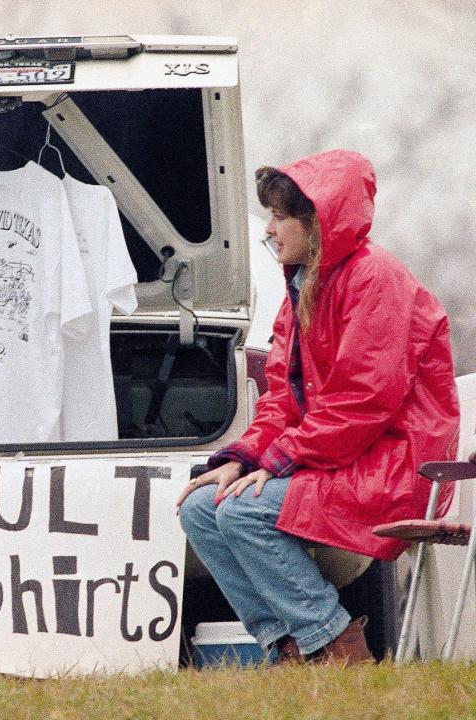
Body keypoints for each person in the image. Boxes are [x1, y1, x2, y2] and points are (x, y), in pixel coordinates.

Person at [176, 149, 458, 663]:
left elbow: (363, 403)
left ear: (320, 222)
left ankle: (333, 644)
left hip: (393, 468)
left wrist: (277, 461)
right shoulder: (302, 289)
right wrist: (240, 458)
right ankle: (286, 647)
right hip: (340, 461)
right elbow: (281, 398)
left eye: (281, 217)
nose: (270, 230)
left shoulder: (377, 280)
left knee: (241, 510)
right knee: (200, 508)